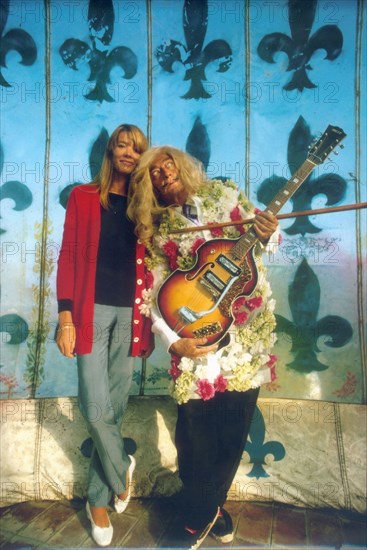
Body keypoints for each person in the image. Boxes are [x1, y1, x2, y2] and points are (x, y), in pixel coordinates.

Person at [127, 146, 279, 549]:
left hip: (243, 339)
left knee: (232, 431)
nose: (163, 174)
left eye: (167, 165)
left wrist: (268, 230)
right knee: (192, 434)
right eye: (153, 173)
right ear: (148, 187)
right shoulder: (160, 229)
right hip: (192, 339)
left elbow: (272, 237)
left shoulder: (225, 195)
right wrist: (173, 340)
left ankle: (196, 518)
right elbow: (151, 297)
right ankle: (211, 507)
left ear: (182, 164)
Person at [56, 123, 151, 547]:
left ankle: (98, 502)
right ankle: (121, 464)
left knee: (112, 408)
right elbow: (69, 256)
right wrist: (66, 319)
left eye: (137, 149)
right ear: (111, 150)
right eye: (123, 145)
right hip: (90, 311)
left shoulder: (146, 207)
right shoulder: (81, 197)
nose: (129, 153)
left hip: (133, 314)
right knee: (94, 407)